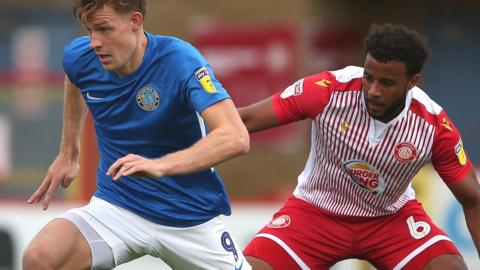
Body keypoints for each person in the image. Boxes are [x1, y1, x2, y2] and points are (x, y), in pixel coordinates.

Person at [22, 1, 252, 269]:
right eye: (90, 30)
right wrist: (68, 152)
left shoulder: (180, 60)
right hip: (118, 207)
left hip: (189, 217)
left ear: (135, 21)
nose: (95, 42)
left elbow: (235, 136)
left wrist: (160, 165)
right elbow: (75, 77)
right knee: (40, 258)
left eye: (104, 29)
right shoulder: (81, 57)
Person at [239, 23, 480, 270]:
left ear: (412, 81)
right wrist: (201, 130)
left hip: (390, 220)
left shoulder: (434, 126)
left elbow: (473, 199)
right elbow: (243, 120)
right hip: (315, 213)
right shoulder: (327, 90)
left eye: (386, 83)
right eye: (368, 78)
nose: (373, 91)